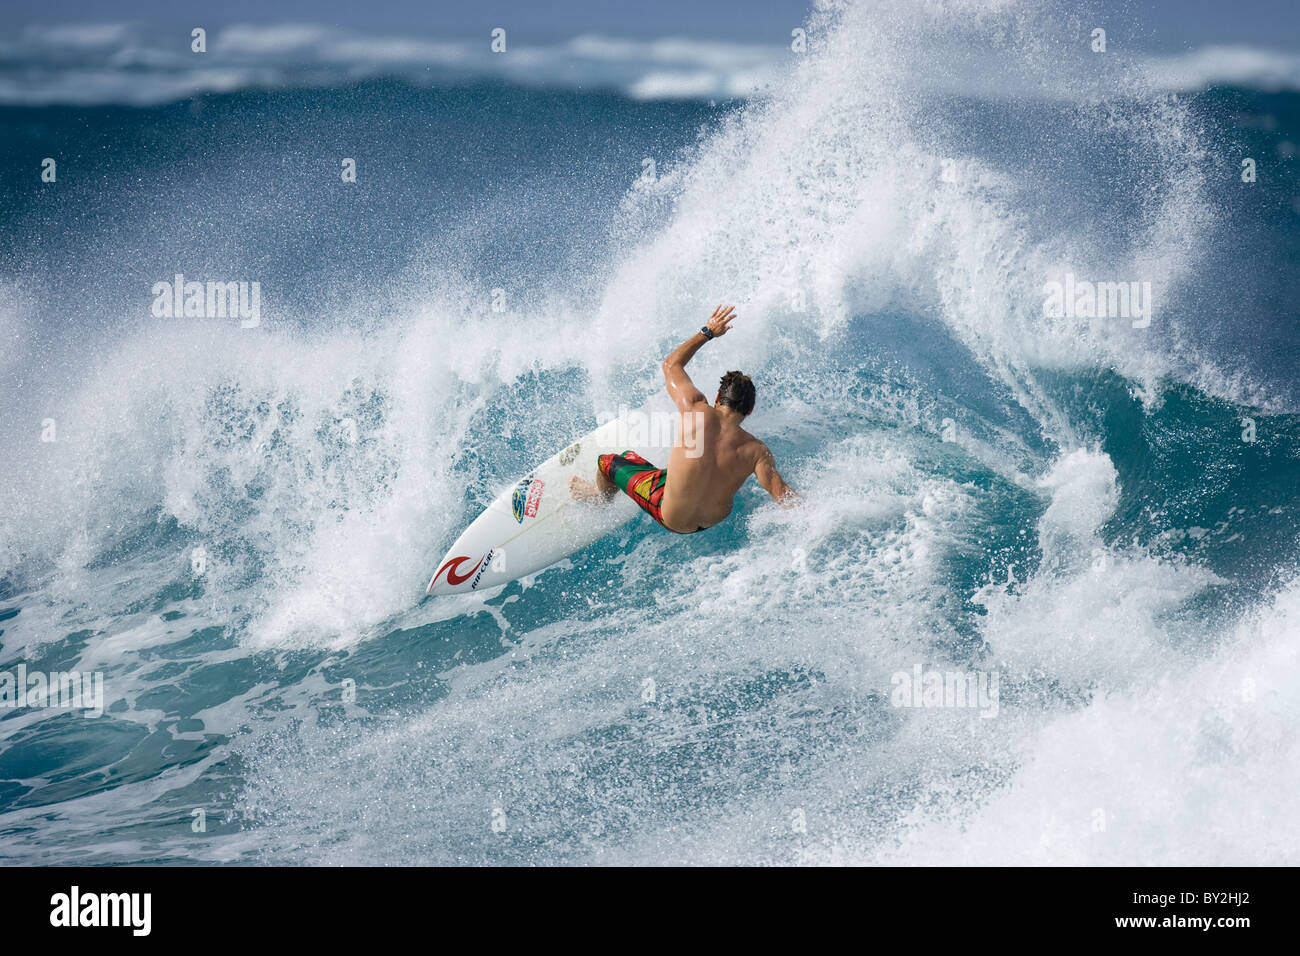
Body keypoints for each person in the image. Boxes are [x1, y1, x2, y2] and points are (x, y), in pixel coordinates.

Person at [570, 304, 798, 532]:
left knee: (608, 462)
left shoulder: (696, 408)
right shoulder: (758, 451)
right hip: (709, 522)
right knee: (649, 463)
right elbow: (782, 495)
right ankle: (640, 467)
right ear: (749, 410)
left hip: (670, 516)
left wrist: (708, 332)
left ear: (718, 397)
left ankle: (599, 499)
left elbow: (671, 365)